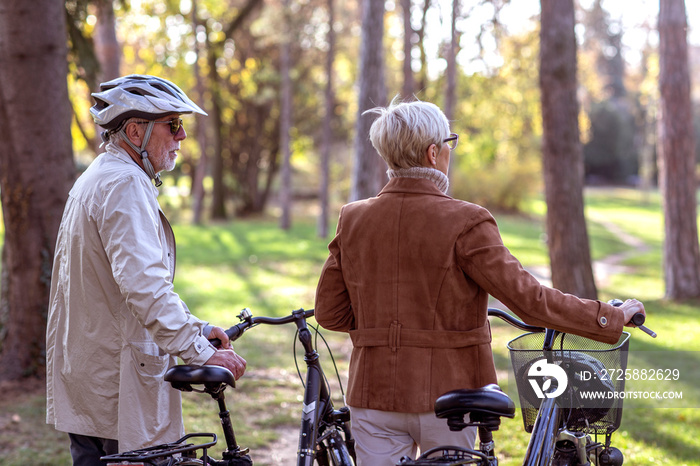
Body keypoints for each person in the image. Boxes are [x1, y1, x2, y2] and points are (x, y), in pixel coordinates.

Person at [313, 98, 646, 466]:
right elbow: (530, 300)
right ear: (433, 152)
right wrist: (609, 317)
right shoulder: (466, 221)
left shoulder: (354, 218)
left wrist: (381, 329)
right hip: (450, 397)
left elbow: (329, 313)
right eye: (449, 143)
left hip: (372, 395)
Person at [46, 74, 247, 465]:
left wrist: (198, 327)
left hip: (90, 380)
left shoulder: (98, 176)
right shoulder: (124, 184)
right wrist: (200, 350)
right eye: (173, 124)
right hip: (117, 388)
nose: (182, 135)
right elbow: (145, 286)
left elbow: (117, 283)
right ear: (135, 130)